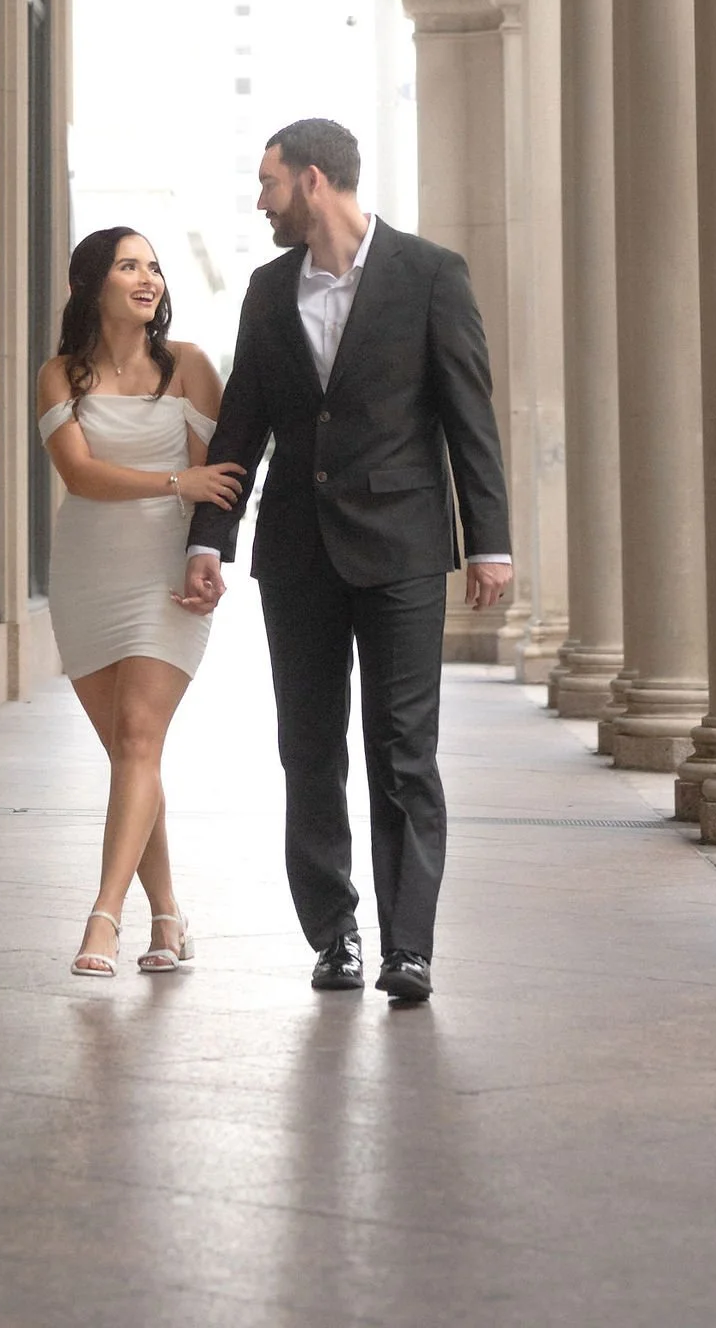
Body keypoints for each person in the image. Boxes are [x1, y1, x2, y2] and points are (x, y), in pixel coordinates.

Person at [179, 118, 512, 1006]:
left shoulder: (430, 275)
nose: (260, 201)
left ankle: (410, 944)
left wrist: (490, 540)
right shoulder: (265, 290)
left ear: (315, 180)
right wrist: (210, 541)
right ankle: (335, 936)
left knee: (404, 749)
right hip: (297, 553)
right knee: (310, 749)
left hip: (402, 547)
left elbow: (467, 415)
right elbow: (242, 423)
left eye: (269, 182)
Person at [36, 227, 241, 980]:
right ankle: (169, 916)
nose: (147, 278)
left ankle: (103, 919)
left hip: (165, 577)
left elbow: (221, 477)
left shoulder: (188, 366)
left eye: (154, 266)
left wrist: (207, 553)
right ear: (92, 284)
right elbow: (81, 476)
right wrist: (173, 484)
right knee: (133, 756)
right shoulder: (59, 376)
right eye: (129, 266)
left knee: (136, 738)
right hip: (87, 575)